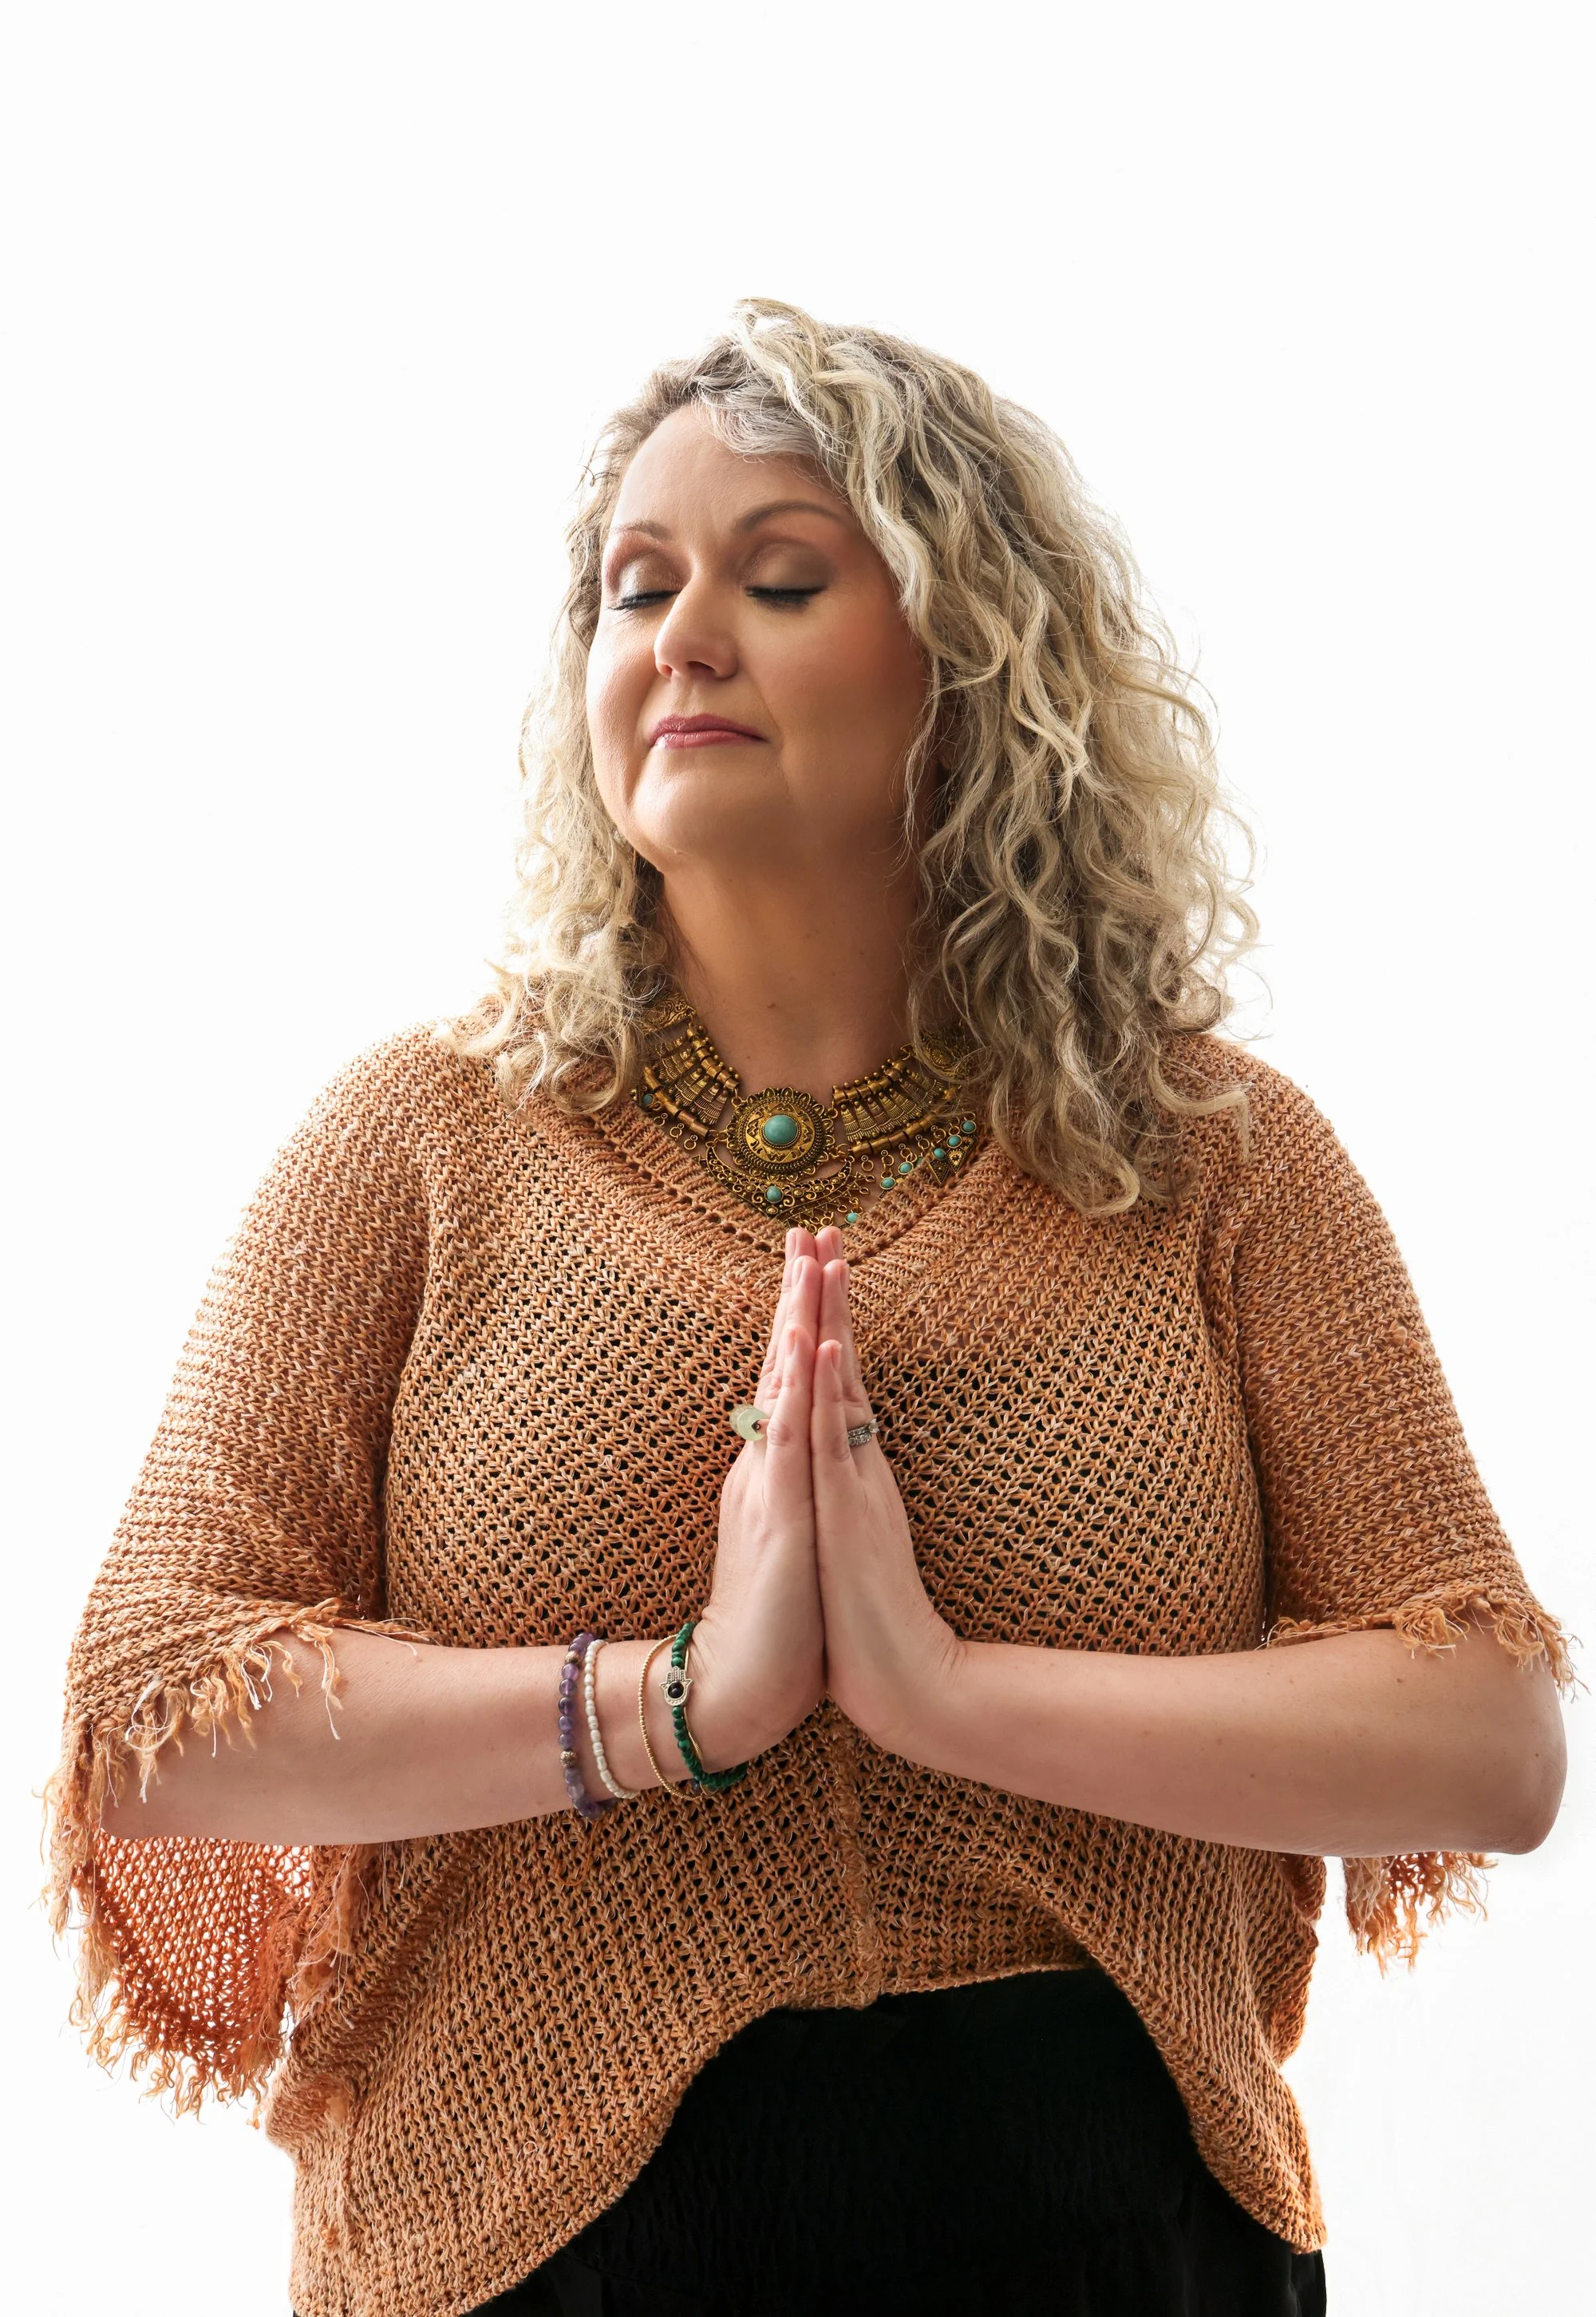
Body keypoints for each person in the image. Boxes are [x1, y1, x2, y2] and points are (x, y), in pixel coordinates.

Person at [46, 296, 1569, 2317]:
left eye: (777, 577)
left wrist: (944, 1696)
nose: (681, 637)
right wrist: (683, 1707)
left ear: (973, 657)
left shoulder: (1215, 1154)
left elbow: (1485, 1738)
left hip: (1128, 2251)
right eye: (633, 590)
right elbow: (149, 1715)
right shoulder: (417, 1145)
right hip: (522, 2263)